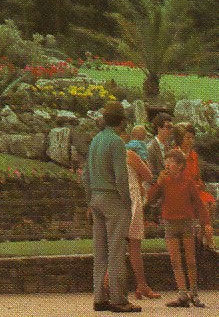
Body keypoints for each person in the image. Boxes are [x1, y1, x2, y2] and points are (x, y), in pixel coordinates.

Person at [84, 101, 142, 313]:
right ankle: (118, 299)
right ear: (122, 121)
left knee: (100, 252)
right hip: (113, 200)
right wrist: (127, 202)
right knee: (116, 251)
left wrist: (89, 201)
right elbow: (121, 178)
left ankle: (99, 298)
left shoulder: (96, 140)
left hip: (96, 198)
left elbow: (85, 175)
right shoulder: (116, 142)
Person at [147, 148, 211, 307]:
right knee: (175, 260)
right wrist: (158, 183)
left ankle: (193, 292)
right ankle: (182, 293)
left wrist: (205, 223)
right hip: (170, 224)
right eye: (166, 162)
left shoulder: (188, 182)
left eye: (171, 162)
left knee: (190, 260)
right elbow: (150, 199)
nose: (167, 165)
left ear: (180, 165)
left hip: (186, 223)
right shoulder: (164, 181)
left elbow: (198, 203)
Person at [125, 140, 159, 300]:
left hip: (119, 200)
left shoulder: (110, 157)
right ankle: (141, 285)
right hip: (132, 199)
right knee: (134, 245)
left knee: (119, 244)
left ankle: (141, 285)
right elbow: (148, 175)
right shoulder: (130, 155)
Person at [174, 122, 216, 249]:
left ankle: (203, 234)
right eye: (187, 138)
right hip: (181, 192)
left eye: (192, 138)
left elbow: (196, 176)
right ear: (180, 138)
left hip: (195, 190)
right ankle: (207, 238)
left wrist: (200, 183)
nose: (190, 141)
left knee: (212, 203)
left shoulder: (193, 155)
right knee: (204, 205)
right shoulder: (175, 154)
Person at [148, 113, 174, 178]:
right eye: (168, 127)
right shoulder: (150, 148)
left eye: (172, 127)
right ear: (159, 128)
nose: (171, 130)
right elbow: (150, 175)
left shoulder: (170, 147)